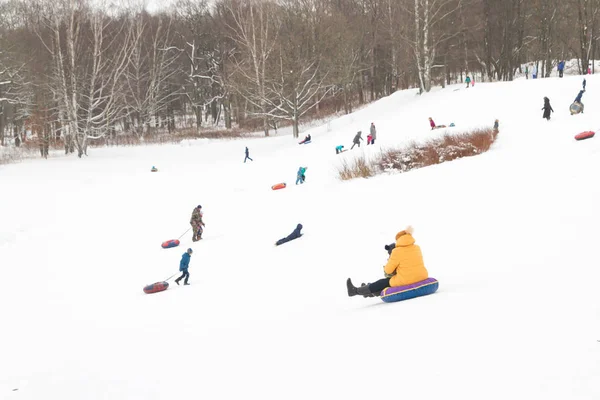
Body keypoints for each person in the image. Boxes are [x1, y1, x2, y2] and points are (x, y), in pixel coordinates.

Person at [346, 226, 428, 298]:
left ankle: (355, 291)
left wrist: (389, 262)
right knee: (388, 282)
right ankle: (366, 291)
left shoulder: (397, 251)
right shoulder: (417, 248)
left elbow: (388, 271)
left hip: (406, 280)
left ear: (399, 239)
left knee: (383, 282)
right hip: (422, 276)